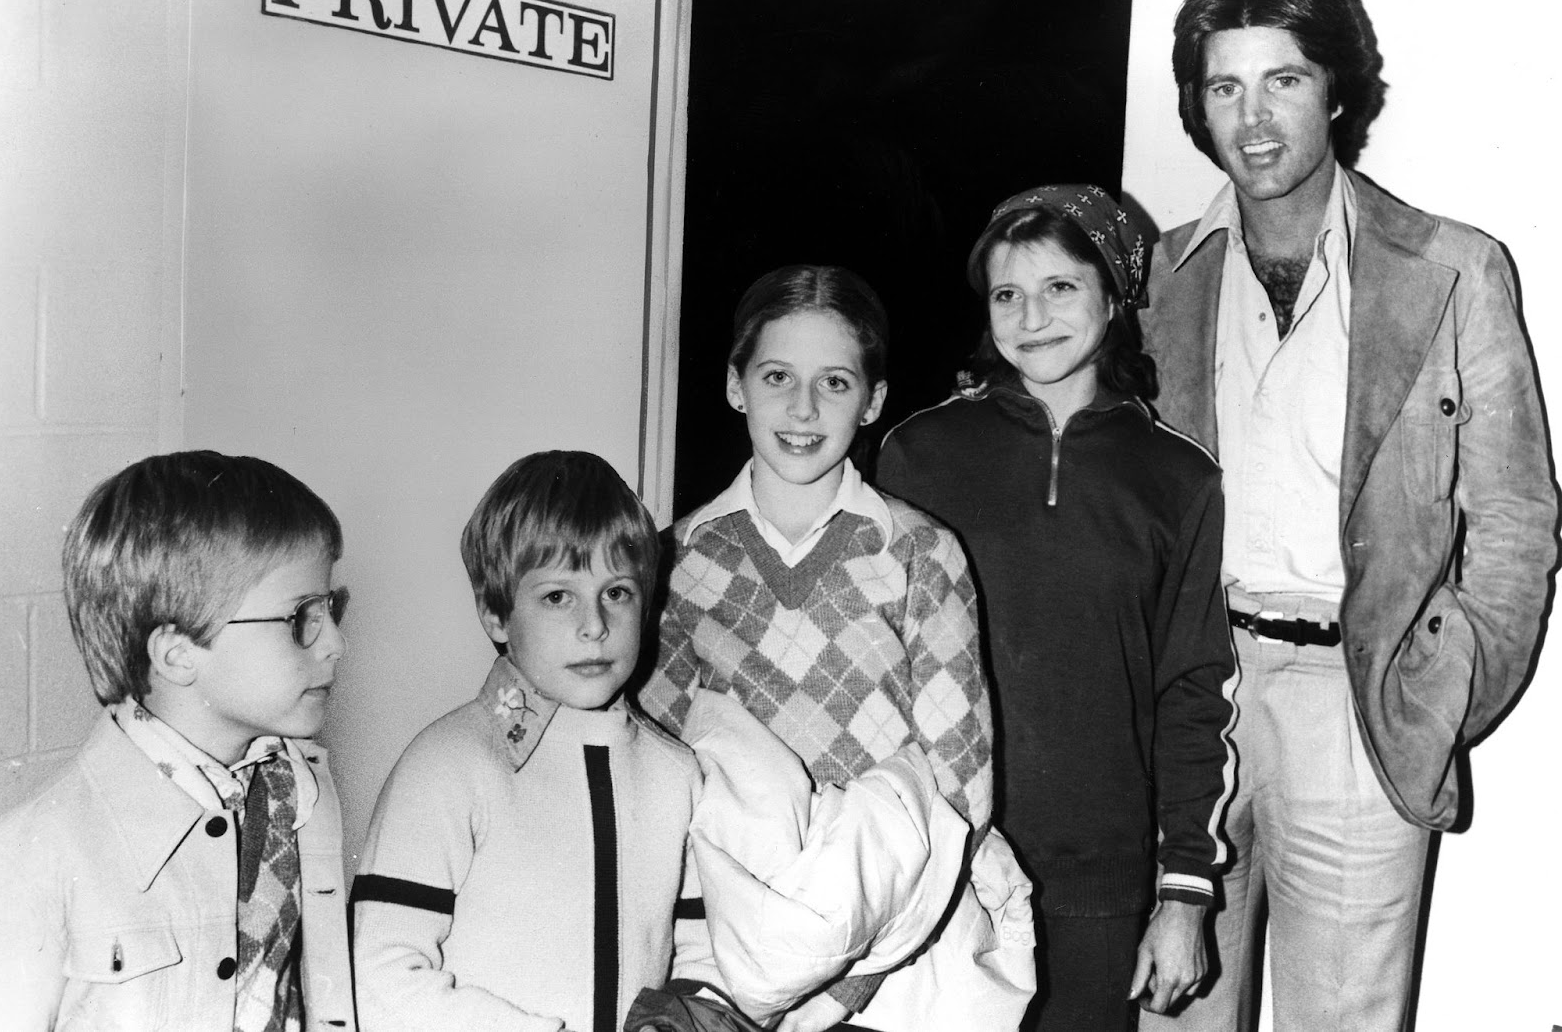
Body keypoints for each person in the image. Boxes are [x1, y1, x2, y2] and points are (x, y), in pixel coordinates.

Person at [1141, 0, 1556, 1029]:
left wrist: (1447, 682)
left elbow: (1516, 515)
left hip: (1358, 695)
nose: (1253, 116)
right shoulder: (1162, 278)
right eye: (1223, 86)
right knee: (1170, 1009)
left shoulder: (1451, 270)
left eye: (1281, 79)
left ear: (1334, 89)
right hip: (1192, 697)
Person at [877, 185, 1238, 1031]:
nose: (1031, 316)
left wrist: (1182, 894)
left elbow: (1194, 691)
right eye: (1008, 294)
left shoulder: (1179, 478)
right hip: (942, 875)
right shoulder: (919, 454)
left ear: (1113, 297)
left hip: (1099, 884)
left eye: (1061, 288)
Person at [639, 264, 994, 1032]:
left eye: (834, 383)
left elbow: (962, 785)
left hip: (895, 954)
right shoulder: (679, 560)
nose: (802, 409)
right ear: (736, 386)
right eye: (776, 376)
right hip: (730, 958)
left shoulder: (920, 554)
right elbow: (656, 775)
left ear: (872, 401)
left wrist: (850, 985)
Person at [0, 450, 354, 1030]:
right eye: (300, 618)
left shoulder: (301, 794)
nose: (335, 645)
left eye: (333, 608)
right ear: (178, 654)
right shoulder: (19, 869)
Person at [352, 450, 701, 1032]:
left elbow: (702, 957)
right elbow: (382, 976)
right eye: (558, 597)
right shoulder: (448, 764)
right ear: (495, 614)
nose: (594, 625)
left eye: (617, 592)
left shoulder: (677, 775)